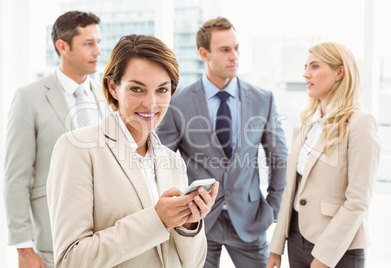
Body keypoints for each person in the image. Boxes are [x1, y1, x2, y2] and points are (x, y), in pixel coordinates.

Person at [46, 34, 219, 267]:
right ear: (113, 87)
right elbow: (71, 260)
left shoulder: (173, 162)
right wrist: (156, 220)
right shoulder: (78, 149)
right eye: (137, 89)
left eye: (162, 89)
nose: (151, 103)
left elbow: (193, 264)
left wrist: (188, 226)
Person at [157, 17, 288, 267]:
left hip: (250, 220)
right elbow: (161, 161)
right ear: (204, 53)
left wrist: (272, 209)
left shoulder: (263, 99)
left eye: (236, 48)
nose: (234, 56)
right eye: (225, 50)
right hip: (198, 219)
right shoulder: (178, 103)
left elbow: (279, 158)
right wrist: (178, 208)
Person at [4, 10, 105, 268]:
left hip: (104, 241)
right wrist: (24, 249)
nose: (98, 52)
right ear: (63, 46)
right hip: (51, 242)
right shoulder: (30, 98)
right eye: (88, 44)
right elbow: (16, 178)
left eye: (99, 43)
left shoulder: (105, 98)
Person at [266, 42, 381, 268]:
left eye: (315, 66)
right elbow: (292, 189)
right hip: (297, 240)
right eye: (306, 66)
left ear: (339, 72)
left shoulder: (360, 124)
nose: (306, 73)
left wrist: (324, 258)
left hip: (338, 248)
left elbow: (358, 202)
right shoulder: (307, 123)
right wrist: (276, 246)